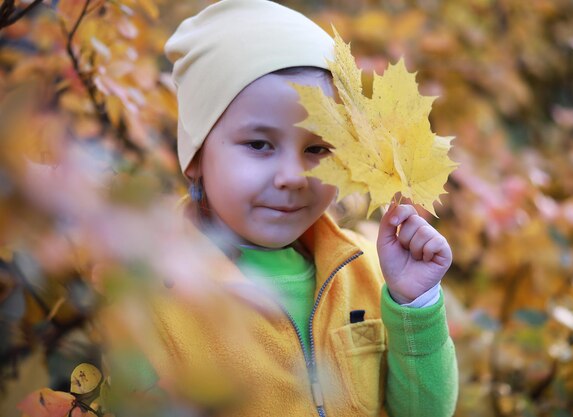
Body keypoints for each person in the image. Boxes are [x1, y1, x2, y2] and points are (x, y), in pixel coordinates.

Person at [145, 0, 459, 416]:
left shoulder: (366, 272)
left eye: (317, 148)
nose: (292, 176)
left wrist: (413, 305)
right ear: (197, 156)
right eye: (259, 144)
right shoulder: (158, 294)